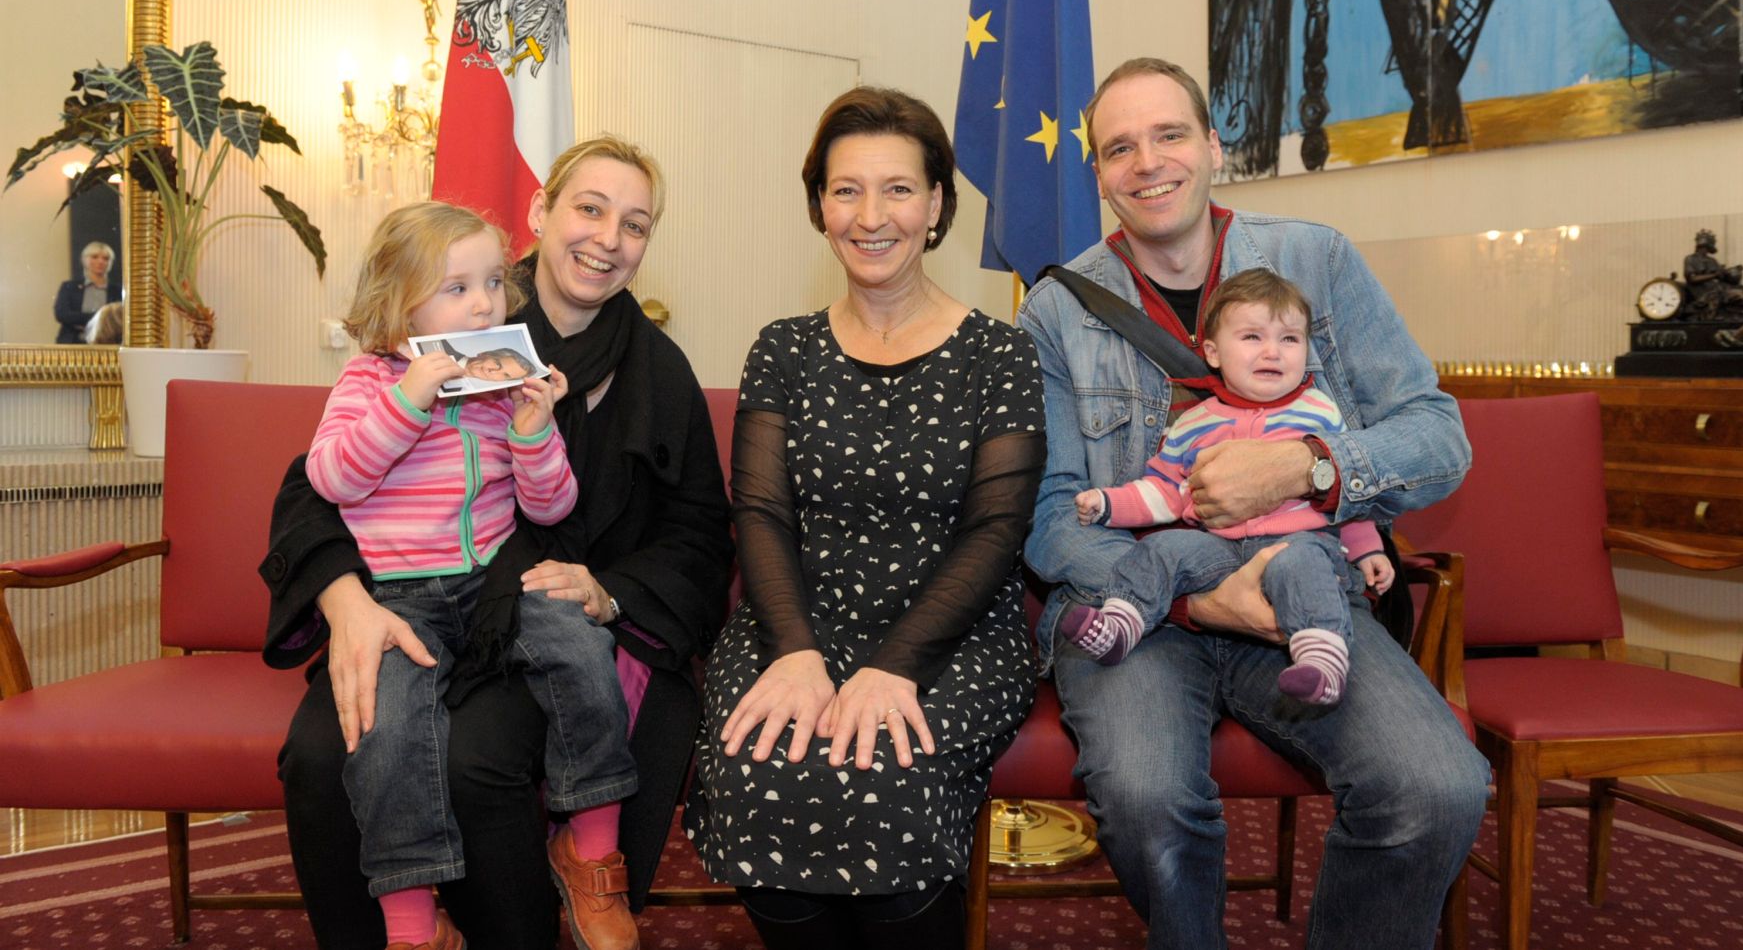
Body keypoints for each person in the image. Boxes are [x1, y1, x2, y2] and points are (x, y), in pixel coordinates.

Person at [1017, 58, 1489, 950]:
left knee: (1438, 788)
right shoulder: (1055, 312)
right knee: (1148, 800)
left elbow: (1438, 437)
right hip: (1143, 607)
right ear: (1097, 173)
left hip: (1306, 596)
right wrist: (1196, 599)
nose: (1147, 162)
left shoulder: (1318, 259)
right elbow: (1049, 515)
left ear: (1212, 145)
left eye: (1168, 135)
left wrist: (1306, 468)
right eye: (1119, 147)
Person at [262, 137, 733, 950]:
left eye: (635, 224)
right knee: (321, 750)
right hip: (405, 599)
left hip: (545, 616)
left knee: (477, 758)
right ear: (542, 213)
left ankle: (560, 893)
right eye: (588, 209)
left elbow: (697, 533)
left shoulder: (660, 371)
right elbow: (319, 483)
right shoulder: (451, 329)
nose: (607, 239)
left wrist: (606, 592)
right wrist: (346, 601)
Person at [684, 87, 1046, 950]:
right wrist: (798, 651)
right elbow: (762, 511)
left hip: (950, 632)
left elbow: (997, 531)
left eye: (897, 189)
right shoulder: (783, 347)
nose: (870, 215)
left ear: (936, 207)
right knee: (756, 767)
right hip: (796, 621)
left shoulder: (1001, 351)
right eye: (846, 190)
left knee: (885, 778)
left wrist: (896, 665)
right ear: (818, 205)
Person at [305, 200, 640, 950]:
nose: (485, 301)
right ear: (399, 300)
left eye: (492, 282)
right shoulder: (367, 383)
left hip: (491, 591)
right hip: (400, 602)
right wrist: (407, 401)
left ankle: (590, 849)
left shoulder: (496, 393)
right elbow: (332, 479)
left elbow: (551, 507)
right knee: (384, 733)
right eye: (457, 287)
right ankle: (415, 923)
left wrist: (531, 429)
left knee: (587, 650)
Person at [1059, 268, 1393, 706]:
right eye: (1253, 337)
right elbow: (1164, 490)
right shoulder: (1194, 423)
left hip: (1298, 542)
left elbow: (1348, 493)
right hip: (1216, 550)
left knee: (1302, 568)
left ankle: (1322, 659)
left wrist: (1367, 548)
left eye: (1290, 339)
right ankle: (1121, 624)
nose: (1273, 351)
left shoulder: (1319, 412)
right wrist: (1108, 504)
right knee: (1163, 550)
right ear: (1214, 353)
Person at [54, 240, 120, 344]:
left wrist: (80, 319)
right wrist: (99, 319)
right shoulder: (69, 287)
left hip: (106, 344)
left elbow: (117, 320)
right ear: (84, 260)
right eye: (94, 257)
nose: (101, 262)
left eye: (106, 258)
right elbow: (62, 314)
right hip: (71, 344)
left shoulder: (117, 290)